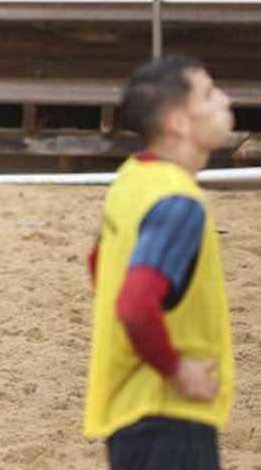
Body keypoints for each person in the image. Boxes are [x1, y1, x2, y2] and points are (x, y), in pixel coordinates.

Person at [83, 55, 235, 469]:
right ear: (178, 123)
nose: (225, 99)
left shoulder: (132, 177)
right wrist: (176, 367)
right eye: (208, 93)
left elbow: (100, 265)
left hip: (128, 414)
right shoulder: (179, 202)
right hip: (169, 418)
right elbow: (134, 305)